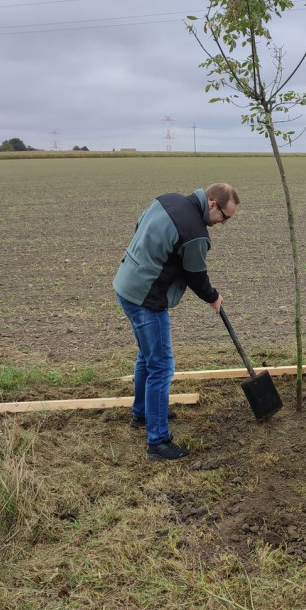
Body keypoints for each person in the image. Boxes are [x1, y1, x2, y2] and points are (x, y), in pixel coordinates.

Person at [114, 183, 239, 460]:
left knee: (147, 357)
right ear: (212, 204)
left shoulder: (168, 200)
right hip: (146, 298)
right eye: (224, 217)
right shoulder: (194, 232)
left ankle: (143, 413)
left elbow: (140, 226)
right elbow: (196, 275)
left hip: (126, 284)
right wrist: (213, 297)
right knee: (161, 365)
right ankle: (158, 442)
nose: (223, 224)